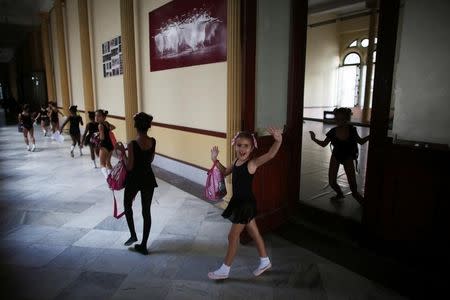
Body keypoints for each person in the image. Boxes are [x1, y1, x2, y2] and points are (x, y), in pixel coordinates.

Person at [207, 128, 282, 280]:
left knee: (232, 236)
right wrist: (215, 160)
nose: (242, 149)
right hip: (240, 202)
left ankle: (225, 269)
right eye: (239, 145)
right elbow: (224, 172)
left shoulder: (252, 163)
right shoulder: (235, 161)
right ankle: (265, 261)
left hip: (245, 205)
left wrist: (278, 140)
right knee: (254, 232)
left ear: (252, 148)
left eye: (246, 146)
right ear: (234, 146)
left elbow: (270, 155)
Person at [309, 107, 369, 204]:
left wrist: (370, 136)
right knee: (332, 182)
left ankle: (358, 198)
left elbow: (361, 141)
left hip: (348, 157)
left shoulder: (352, 130)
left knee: (353, 186)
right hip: (336, 156)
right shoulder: (333, 131)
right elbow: (324, 144)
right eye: (337, 119)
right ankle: (339, 193)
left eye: (342, 119)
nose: (339, 121)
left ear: (346, 119)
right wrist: (314, 139)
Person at [116, 112, 157, 255]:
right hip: (148, 178)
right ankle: (144, 245)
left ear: (136, 126)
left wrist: (122, 154)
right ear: (148, 127)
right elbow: (150, 160)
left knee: (127, 204)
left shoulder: (132, 144)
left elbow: (129, 166)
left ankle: (133, 234)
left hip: (134, 179)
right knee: (147, 211)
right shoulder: (153, 141)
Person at [95, 109, 116, 177]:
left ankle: (107, 178)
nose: (96, 118)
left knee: (102, 164)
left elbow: (102, 138)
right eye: (96, 116)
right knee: (108, 162)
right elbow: (113, 127)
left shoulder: (100, 125)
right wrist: (107, 130)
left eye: (98, 116)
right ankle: (112, 177)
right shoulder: (106, 123)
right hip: (110, 145)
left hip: (104, 145)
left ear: (103, 117)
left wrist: (98, 135)